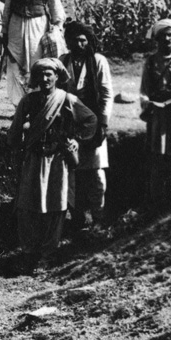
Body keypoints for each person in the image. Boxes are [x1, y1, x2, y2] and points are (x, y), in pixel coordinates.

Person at [8, 58, 97, 269]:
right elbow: (15, 130)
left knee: (55, 205)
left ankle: (49, 252)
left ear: (57, 77)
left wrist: (77, 140)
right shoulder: (28, 101)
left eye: (49, 74)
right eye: (41, 74)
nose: (45, 78)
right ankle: (29, 251)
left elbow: (90, 119)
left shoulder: (66, 99)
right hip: (33, 159)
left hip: (57, 159)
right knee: (27, 205)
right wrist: (16, 150)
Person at [60, 21, 113, 229]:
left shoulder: (98, 61)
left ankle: (99, 217)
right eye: (74, 40)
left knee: (96, 172)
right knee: (71, 171)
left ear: (89, 41)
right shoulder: (63, 61)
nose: (79, 44)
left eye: (83, 40)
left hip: (93, 123)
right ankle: (76, 217)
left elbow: (106, 93)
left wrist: (103, 122)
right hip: (70, 124)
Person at [2, 0, 66, 106]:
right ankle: (19, 105)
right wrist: (4, 30)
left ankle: (37, 103)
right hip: (16, 24)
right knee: (15, 63)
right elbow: (7, 6)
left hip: (38, 25)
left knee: (37, 63)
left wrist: (58, 25)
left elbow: (54, 3)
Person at [139, 19, 171, 208]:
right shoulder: (150, 62)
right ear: (156, 39)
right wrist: (150, 104)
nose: (166, 39)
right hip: (157, 117)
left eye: (170, 35)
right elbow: (144, 90)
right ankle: (156, 205)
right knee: (157, 159)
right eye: (162, 35)